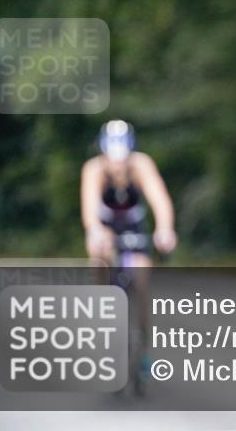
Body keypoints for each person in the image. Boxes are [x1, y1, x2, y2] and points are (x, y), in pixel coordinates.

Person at [80, 120, 176, 383]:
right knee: (98, 257)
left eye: (122, 159)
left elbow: (160, 200)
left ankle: (143, 350)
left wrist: (165, 229)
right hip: (106, 228)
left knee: (142, 275)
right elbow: (89, 208)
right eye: (113, 160)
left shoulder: (141, 165)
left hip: (134, 227)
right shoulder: (94, 169)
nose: (118, 166)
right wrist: (95, 231)